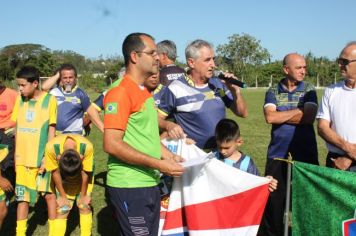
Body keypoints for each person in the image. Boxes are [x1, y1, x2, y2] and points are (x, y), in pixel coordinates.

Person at [103, 32, 184, 236]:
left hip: (148, 182)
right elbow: (111, 144)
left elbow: (147, 136)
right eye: (152, 52)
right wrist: (159, 164)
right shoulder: (120, 92)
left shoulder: (144, 92)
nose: (157, 57)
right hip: (130, 185)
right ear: (134, 56)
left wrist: (169, 156)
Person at [258, 53, 319, 236]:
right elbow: (270, 117)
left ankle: (307, 231)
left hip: (306, 151)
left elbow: (308, 118)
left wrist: (282, 114)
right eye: (299, 67)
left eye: (304, 67)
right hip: (277, 152)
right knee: (274, 197)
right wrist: (298, 111)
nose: (303, 71)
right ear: (286, 69)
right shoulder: (273, 90)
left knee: (308, 197)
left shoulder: (309, 88)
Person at [158, 39, 247, 150]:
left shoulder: (217, 85)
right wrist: (169, 125)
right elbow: (156, 118)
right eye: (207, 60)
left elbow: (242, 113)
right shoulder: (175, 88)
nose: (213, 65)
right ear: (191, 63)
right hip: (194, 155)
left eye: (213, 59)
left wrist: (235, 91)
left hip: (221, 153)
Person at [10, 66, 58, 236]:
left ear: (35, 83)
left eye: (23, 85)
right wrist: (16, 156)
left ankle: (55, 233)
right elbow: (16, 126)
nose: (20, 89)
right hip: (22, 160)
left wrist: (48, 157)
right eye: (19, 85)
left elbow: (51, 130)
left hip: (41, 159)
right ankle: (20, 233)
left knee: (49, 196)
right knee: (22, 199)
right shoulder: (19, 100)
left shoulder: (50, 100)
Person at [317, 42, 356, 172]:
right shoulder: (331, 91)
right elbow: (322, 128)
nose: (340, 65)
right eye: (339, 60)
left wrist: (348, 158)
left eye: (345, 61)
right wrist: (349, 150)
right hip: (335, 163)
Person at [44, 134, 94, 236]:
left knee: (84, 206)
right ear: (59, 158)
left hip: (83, 177)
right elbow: (55, 172)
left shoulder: (87, 147)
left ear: (81, 158)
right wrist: (62, 195)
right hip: (62, 179)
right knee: (63, 208)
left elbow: (85, 173)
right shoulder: (51, 148)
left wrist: (84, 195)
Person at [213, 119, 278, 192]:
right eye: (219, 146)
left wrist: (267, 181)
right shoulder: (213, 158)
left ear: (239, 142)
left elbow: (256, 181)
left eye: (226, 148)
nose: (222, 151)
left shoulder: (246, 163)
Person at [42, 63, 104, 135]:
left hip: (75, 135)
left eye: (70, 77)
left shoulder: (81, 94)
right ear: (60, 78)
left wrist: (104, 130)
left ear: (75, 78)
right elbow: (44, 87)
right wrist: (60, 73)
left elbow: (92, 114)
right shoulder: (54, 92)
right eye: (65, 77)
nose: (68, 80)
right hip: (56, 136)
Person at [0, 81, 17, 229]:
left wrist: (15, 127)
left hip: (9, 136)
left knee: (8, 168)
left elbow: (22, 114)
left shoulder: (12, 95)